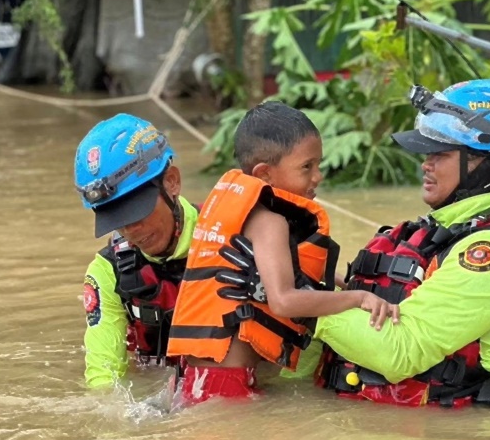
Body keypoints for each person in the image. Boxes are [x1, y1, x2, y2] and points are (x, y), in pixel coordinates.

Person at [310, 79, 490, 408]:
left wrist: (296, 300)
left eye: (441, 153)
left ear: (488, 161)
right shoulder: (447, 230)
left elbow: (399, 352)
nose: (426, 163)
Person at [166, 101, 393, 405]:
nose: (318, 176)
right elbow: (284, 301)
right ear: (265, 175)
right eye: (306, 167)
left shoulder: (240, 214)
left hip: (191, 377)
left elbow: (264, 274)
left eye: (318, 165)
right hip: (226, 383)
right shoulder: (270, 222)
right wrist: (360, 298)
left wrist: (338, 281)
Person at [74, 114, 199, 388]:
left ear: (172, 182)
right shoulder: (109, 272)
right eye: (117, 219)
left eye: (137, 212)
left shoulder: (229, 239)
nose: (131, 230)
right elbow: (103, 375)